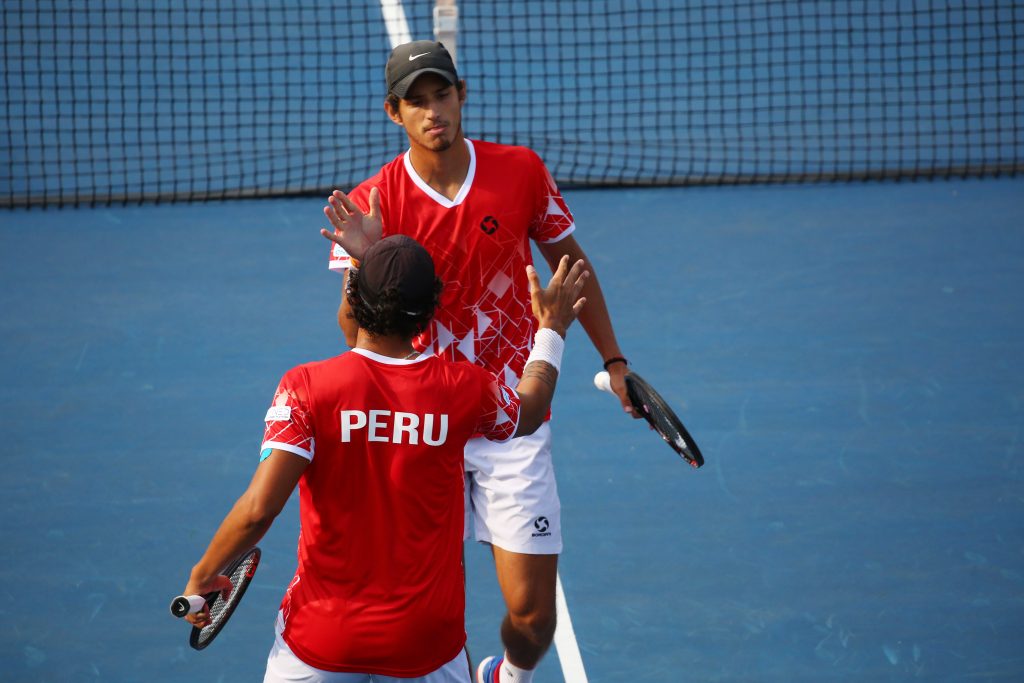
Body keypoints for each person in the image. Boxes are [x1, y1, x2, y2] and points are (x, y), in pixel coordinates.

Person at [321, 40, 635, 683]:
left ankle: (507, 677)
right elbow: (354, 335)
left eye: (442, 94)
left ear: (461, 95)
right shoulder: (374, 201)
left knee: (533, 620)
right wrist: (364, 261)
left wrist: (615, 358)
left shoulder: (519, 171)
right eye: (417, 102)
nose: (433, 111)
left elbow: (571, 269)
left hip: (514, 413)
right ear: (394, 113)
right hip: (423, 421)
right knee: (424, 613)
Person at [179, 235, 589, 683]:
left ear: (356, 299)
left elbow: (258, 511)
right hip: (426, 645)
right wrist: (552, 328)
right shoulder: (463, 389)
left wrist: (204, 573)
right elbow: (529, 410)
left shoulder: (305, 387)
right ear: (432, 309)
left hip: (321, 642)